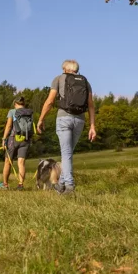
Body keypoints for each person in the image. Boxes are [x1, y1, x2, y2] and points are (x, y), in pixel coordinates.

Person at [37, 60, 96, 194]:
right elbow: (91, 105)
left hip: (63, 118)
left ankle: (69, 186)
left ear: (65, 69)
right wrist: (92, 126)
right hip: (80, 120)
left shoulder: (59, 79)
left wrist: (41, 119)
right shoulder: (85, 82)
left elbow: (50, 101)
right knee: (67, 154)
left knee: (66, 154)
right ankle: (61, 185)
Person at [0, 97, 34, 190]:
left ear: (15, 104)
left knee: (8, 162)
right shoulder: (29, 112)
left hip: (13, 138)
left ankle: (5, 185)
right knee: (21, 163)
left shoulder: (12, 111)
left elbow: (9, 125)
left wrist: (4, 139)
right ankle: (20, 185)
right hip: (25, 139)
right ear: (24, 104)